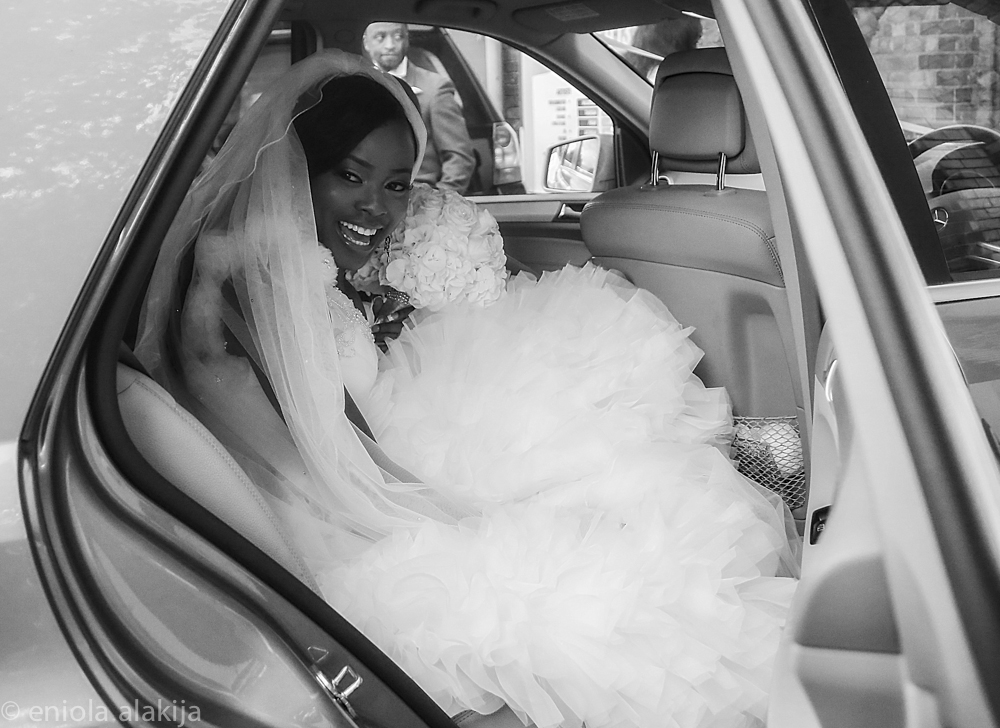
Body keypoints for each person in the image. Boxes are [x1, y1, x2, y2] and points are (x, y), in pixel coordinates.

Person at [137, 50, 800, 728]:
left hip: (358, 467)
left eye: (397, 184)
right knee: (591, 592)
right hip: (318, 516)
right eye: (349, 176)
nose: (376, 206)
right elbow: (309, 458)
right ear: (296, 170)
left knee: (612, 514)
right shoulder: (239, 291)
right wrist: (452, 513)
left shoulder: (291, 267)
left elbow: (335, 423)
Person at [363, 22, 476, 194]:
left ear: (407, 39)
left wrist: (437, 201)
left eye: (398, 36)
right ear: (366, 42)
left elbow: (460, 157)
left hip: (417, 196)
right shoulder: (356, 85)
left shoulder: (434, 88)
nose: (390, 45)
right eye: (380, 37)